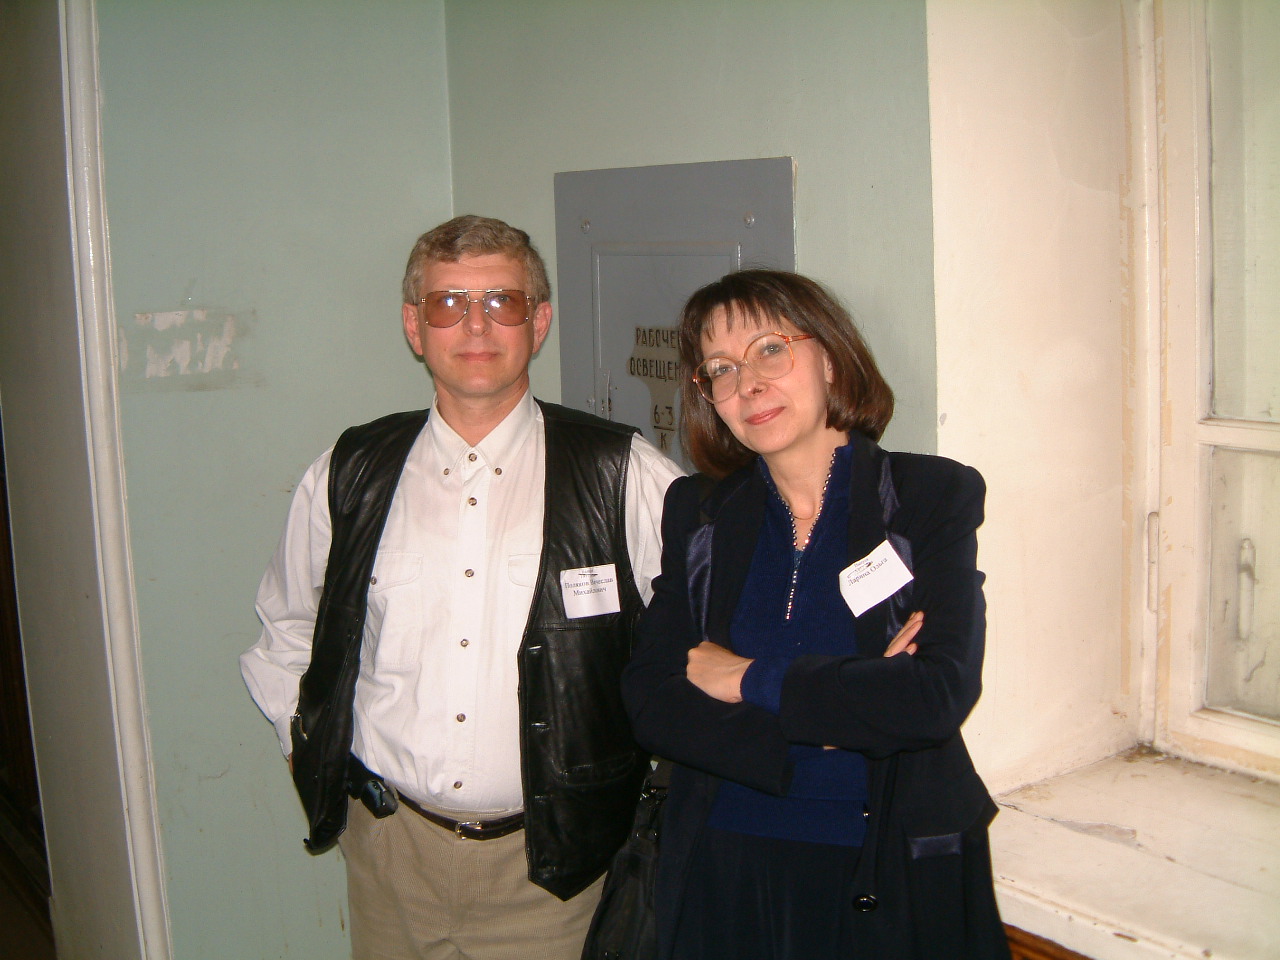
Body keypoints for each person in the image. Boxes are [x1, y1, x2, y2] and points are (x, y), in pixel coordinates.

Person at [240, 215, 683, 960]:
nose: (476, 325)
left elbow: (700, 639)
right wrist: (308, 750)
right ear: (414, 327)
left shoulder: (623, 475)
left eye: (502, 301)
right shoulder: (350, 473)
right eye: (447, 304)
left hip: (557, 873)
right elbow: (287, 629)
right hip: (390, 858)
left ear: (539, 322)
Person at [621, 270, 1010, 960]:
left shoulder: (926, 497)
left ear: (829, 357)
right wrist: (840, 711)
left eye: (771, 350)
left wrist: (746, 679)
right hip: (723, 865)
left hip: (883, 866)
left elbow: (933, 695)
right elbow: (651, 698)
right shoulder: (700, 513)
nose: (748, 384)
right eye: (721, 369)